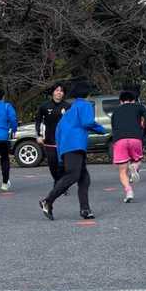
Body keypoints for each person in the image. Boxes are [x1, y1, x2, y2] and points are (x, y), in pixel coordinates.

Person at [40, 79, 105, 221]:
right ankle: (47, 201)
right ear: (87, 93)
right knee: (73, 175)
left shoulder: (70, 109)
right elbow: (87, 122)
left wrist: (60, 154)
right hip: (76, 145)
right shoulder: (85, 105)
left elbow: (58, 131)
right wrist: (101, 129)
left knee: (84, 178)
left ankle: (85, 210)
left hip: (66, 146)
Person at [109, 89, 146, 203]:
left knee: (122, 170)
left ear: (121, 101)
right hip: (135, 138)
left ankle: (129, 191)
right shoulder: (139, 107)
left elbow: (113, 127)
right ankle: (134, 167)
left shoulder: (115, 111)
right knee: (138, 160)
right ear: (133, 100)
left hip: (119, 140)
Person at [35, 82, 66, 184]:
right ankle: (57, 181)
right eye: (57, 90)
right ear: (53, 92)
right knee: (53, 164)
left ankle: (61, 184)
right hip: (49, 140)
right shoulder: (44, 106)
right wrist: (39, 135)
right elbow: (38, 121)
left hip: (64, 140)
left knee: (63, 164)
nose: (59, 93)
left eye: (61, 91)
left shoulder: (68, 106)